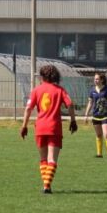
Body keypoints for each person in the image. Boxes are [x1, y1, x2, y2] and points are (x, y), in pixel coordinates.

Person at [20, 65, 78, 194]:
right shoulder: (60, 90)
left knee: (43, 159)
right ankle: (47, 186)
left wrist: (24, 126)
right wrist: (73, 121)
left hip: (40, 128)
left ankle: (46, 185)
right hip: (54, 128)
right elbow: (70, 104)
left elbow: (28, 108)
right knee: (52, 159)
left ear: (42, 76)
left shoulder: (36, 90)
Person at [84, 72, 107, 158]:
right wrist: (86, 115)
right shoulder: (92, 90)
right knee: (98, 135)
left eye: (97, 79)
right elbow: (90, 103)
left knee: (106, 134)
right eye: (95, 79)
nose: (95, 80)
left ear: (102, 80)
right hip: (95, 116)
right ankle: (99, 154)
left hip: (105, 116)